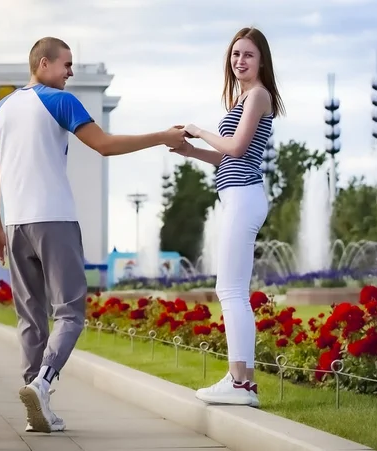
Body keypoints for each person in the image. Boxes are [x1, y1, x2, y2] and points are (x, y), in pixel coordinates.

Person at [0, 36, 186, 434]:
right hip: (54, 220)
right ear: (44, 64)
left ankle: (36, 405)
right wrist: (162, 136)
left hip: (15, 224)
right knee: (71, 312)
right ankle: (42, 383)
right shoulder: (59, 101)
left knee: (30, 319)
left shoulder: (1, 109)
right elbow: (105, 146)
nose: (71, 72)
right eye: (66, 64)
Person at [170, 27, 285, 407]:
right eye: (235, 55)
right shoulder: (243, 99)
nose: (240, 61)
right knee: (232, 289)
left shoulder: (257, 96)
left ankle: (239, 383)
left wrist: (200, 130)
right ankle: (244, 383)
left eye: (248, 55)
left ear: (262, 60)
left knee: (231, 290)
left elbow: (234, 146)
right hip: (237, 195)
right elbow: (227, 157)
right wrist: (191, 152)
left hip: (243, 196)